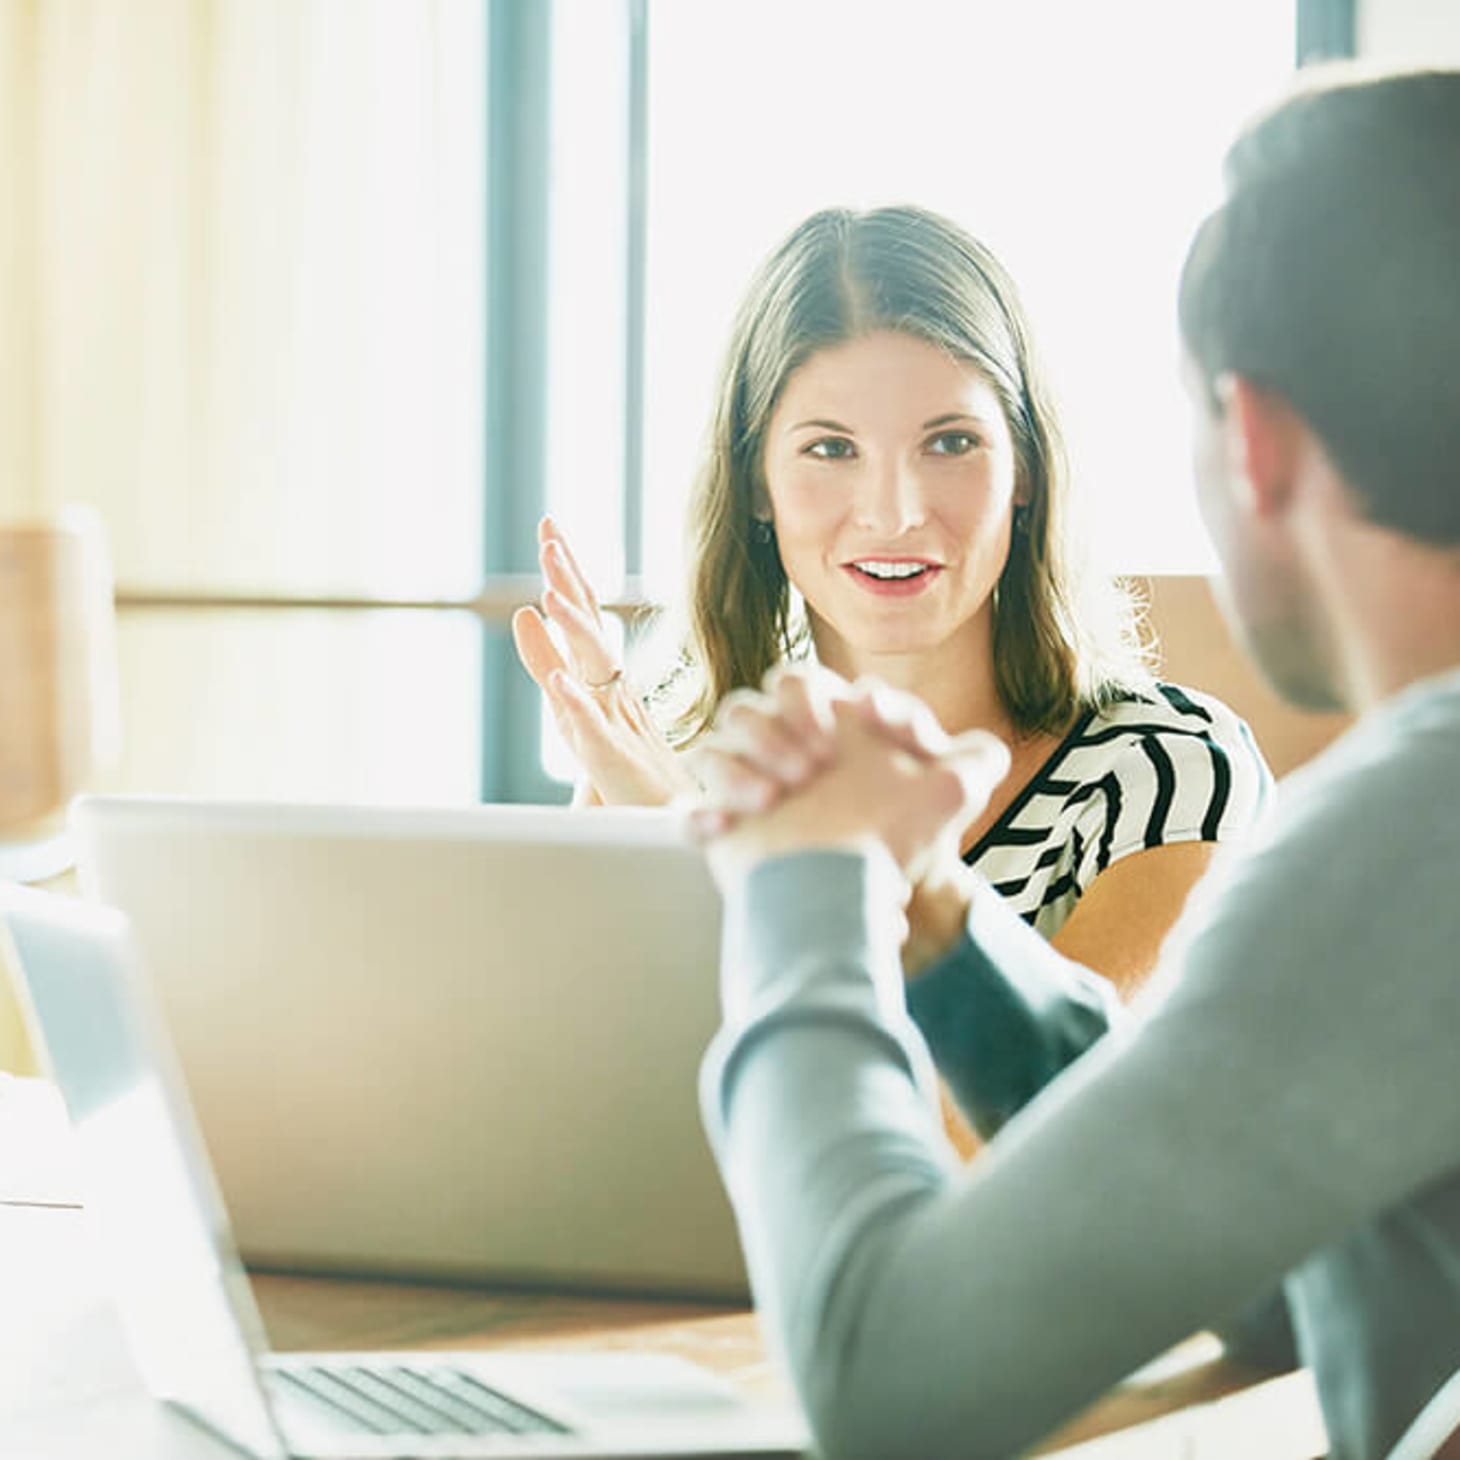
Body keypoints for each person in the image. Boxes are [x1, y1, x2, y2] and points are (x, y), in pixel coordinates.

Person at [690, 64, 1460, 1460]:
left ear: (1255, 438)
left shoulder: (1417, 831)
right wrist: (938, 928)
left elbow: (889, 1390)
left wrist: (805, 886)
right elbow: (1274, 1265)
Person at [513, 205, 1270, 1001]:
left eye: (950, 442)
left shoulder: (1168, 769)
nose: (893, 512)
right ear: (755, 486)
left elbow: (1038, 1115)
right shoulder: (672, 774)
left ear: (1027, 473)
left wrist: (723, 882)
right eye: (830, 449)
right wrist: (655, 838)